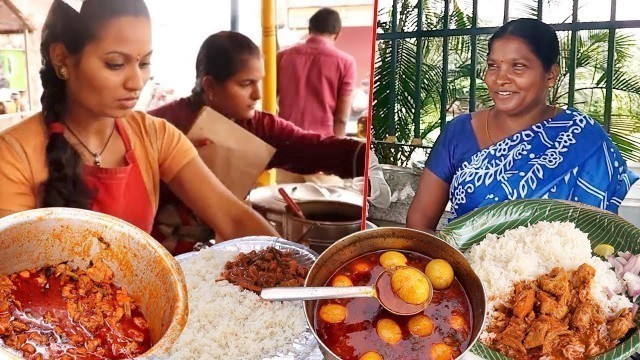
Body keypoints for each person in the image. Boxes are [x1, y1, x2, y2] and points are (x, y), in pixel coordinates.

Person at [0, 0, 278, 242]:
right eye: (116, 64)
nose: (137, 82)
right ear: (61, 58)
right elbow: (14, 277)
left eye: (143, 63)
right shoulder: (13, 155)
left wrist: (300, 273)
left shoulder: (155, 136)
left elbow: (232, 218)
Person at [148, 31, 375, 254]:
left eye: (259, 82)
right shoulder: (163, 126)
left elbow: (315, 149)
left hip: (225, 244)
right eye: (246, 83)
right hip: (161, 249)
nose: (257, 94)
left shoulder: (261, 128)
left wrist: (374, 158)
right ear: (209, 86)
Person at [407, 18, 638, 233]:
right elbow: (419, 224)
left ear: (550, 75)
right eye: (493, 65)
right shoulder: (459, 132)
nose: (500, 78)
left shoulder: (584, 139)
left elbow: (601, 236)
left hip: (559, 277)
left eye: (517, 66)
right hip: (466, 274)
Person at [276, 7, 356, 137]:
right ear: (338, 33)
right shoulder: (346, 62)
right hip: (322, 142)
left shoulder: (282, 57)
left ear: (309, 30)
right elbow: (341, 118)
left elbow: (268, 99)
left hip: (286, 138)